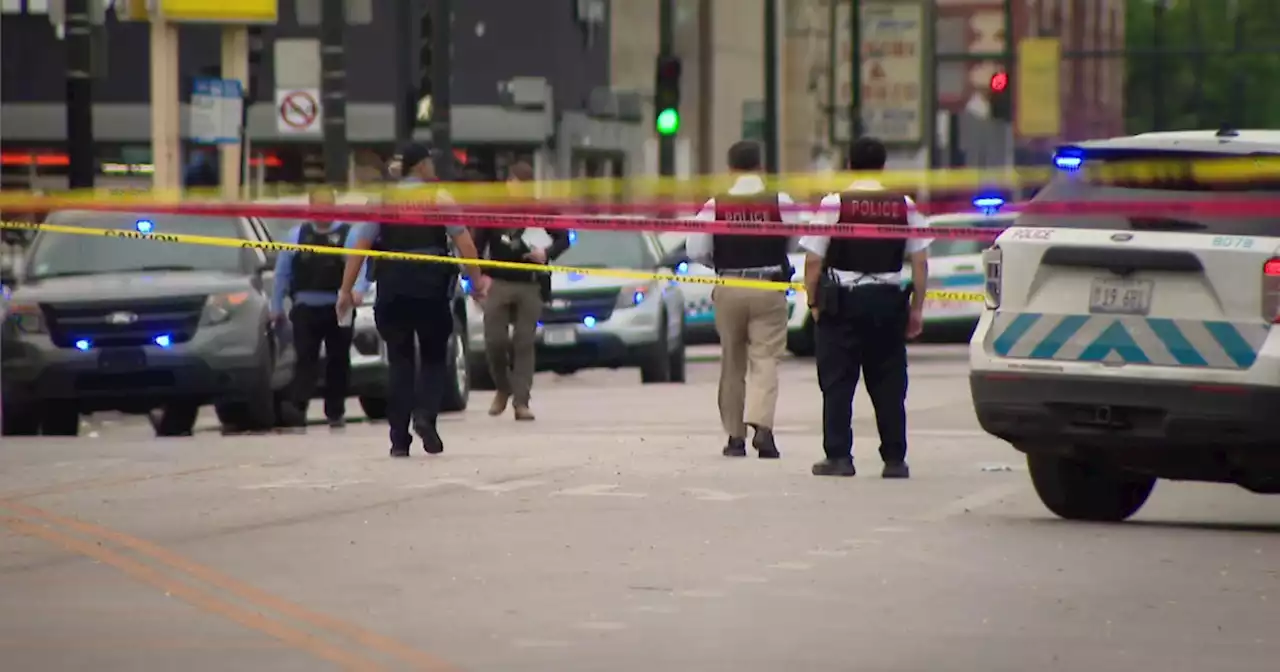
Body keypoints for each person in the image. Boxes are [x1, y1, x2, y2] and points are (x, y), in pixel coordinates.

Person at [337, 143, 489, 458]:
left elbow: (361, 247)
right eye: (429, 162)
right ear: (420, 166)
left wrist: (345, 289)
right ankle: (425, 418)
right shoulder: (439, 198)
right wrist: (477, 282)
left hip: (392, 290)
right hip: (431, 289)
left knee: (399, 361)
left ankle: (398, 439)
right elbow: (465, 243)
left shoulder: (383, 200)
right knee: (434, 358)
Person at [800, 137, 931, 479]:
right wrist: (917, 309)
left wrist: (813, 302)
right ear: (883, 166)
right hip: (888, 304)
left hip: (843, 304)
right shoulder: (904, 205)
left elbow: (813, 261)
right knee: (889, 383)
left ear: (849, 166)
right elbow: (920, 263)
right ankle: (894, 459)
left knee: (838, 383)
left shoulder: (835, 204)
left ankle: (839, 456)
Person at [687, 141, 803, 459]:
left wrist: (722, 263)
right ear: (760, 166)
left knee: (732, 362)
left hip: (729, 284)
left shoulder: (716, 204)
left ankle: (735, 438)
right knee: (765, 359)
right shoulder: (781, 201)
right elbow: (796, 237)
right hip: (769, 285)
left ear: (730, 168)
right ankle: (762, 428)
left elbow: (695, 248)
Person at [471, 160, 571, 421]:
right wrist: (478, 278)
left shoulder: (540, 209)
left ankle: (521, 401)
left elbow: (564, 237)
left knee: (524, 343)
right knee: (494, 341)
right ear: (508, 183)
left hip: (530, 281)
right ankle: (502, 387)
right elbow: (476, 243)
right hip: (499, 281)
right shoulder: (494, 209)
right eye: (516, 183)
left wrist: (546, 253)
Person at [270, 187, 371, 429]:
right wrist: (276, 306)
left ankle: (335, 412)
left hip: (339, 307)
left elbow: (360, 265)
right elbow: (282, 273)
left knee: (338, 360)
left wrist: (358, 290)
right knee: (306, 358)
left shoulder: (349, 234)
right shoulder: (297, 235)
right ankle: (298, 408)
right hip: (306, 307)